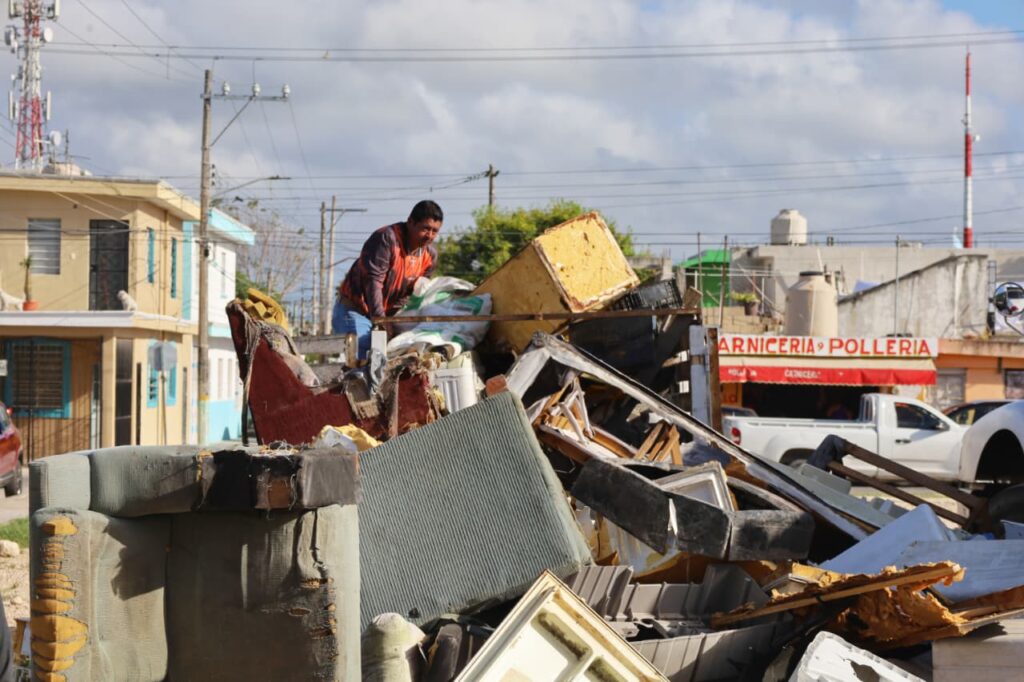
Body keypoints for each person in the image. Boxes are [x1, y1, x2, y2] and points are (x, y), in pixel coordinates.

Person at [333, 200, 443, 357]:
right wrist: (381, 320)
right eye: (425, 229)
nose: (429, 236)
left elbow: (411, 294)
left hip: (384, 315)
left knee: (395, 355)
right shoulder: (386, 239)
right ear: (411, 222)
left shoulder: (429, 256)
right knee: (364, 355)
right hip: (356, 309)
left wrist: (390, 320)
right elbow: (373, 281)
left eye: (434, 231)